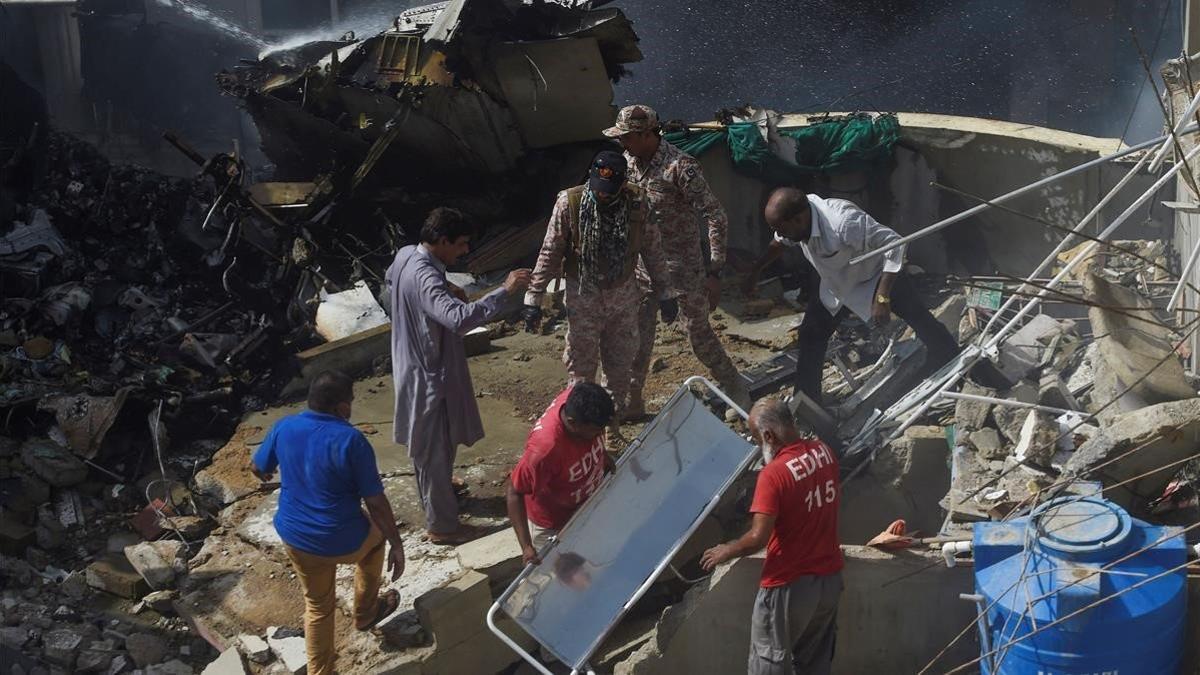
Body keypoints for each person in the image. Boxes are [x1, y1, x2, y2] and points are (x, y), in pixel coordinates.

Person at [743, 187, 972, 404]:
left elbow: (894, 244)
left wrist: (882, 298)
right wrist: (755, 271)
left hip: (878, 276)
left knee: (919, 318)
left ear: (799, 219)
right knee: (811, 335)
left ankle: (957, 365)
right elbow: (778, 242)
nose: (782, 235)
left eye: (784, 230)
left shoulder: (842, 221)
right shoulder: (795, 221)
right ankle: (807, 402)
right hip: (839, 284)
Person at [385, 207, 531, 544]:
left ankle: (440, 491)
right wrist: (504, 291)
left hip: (414, 363)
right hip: (428, 375)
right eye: (461, 244)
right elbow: (460, 320)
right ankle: (442, 527)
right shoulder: (424, 276)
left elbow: (392, 278)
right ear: (440, 240)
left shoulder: (408, 254)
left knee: (437, 444)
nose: (465, 251)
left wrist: (446, 286)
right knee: (432, 449)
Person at [250, 370, 406, 675]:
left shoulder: (284, 426)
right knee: (377, 541)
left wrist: (267, 473)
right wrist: (397, 544)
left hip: (295, 538)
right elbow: (375, 503)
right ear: (342, 407)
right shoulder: (351, 440)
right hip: (342, 541)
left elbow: (258, 467)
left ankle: (320, 672)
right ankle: (366, 612)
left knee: (318, 607)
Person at [606, 104, 752, 414]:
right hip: (644, 270)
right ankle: (632, 401)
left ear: (647, 134)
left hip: (682, 270)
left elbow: (715, 214)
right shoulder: (629, 163)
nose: (622, 144)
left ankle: (734, 384)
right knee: (637, 335)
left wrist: (715, 270)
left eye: (627, 137)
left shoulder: (680, 167)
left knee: (697, 333)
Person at [521, 150, 678, 426]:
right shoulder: (569, 203)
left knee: (620, 367)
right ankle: (578, 429)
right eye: (599, 188)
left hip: (623, 296)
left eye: (610, 190)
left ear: (622, 184)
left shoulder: (638, 203)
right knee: (581, 369)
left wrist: (666, 293)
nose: (603, 195)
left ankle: (610, 426)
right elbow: (550, 252)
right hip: (584, 296)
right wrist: (533, 299)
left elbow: (653, 251)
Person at [700, 398, 843, 675]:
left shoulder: (773, 474)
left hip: (789, 585)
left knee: (769, 663)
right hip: (829, 580)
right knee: (814, 664)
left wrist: (728, 549)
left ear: (768, 435)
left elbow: (758, 537)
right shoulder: (824, 452)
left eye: (756, 437)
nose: (757, 445)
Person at [506, 383, 615, 565]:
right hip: (552, 523)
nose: (600, 435)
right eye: (596, 431)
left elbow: (594, 433)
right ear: (573, 423)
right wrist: (526, 547)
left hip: (584, 504)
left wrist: (603, 457)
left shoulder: (579, 400)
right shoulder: (545, 450)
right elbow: (514, 492)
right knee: (561, 575)